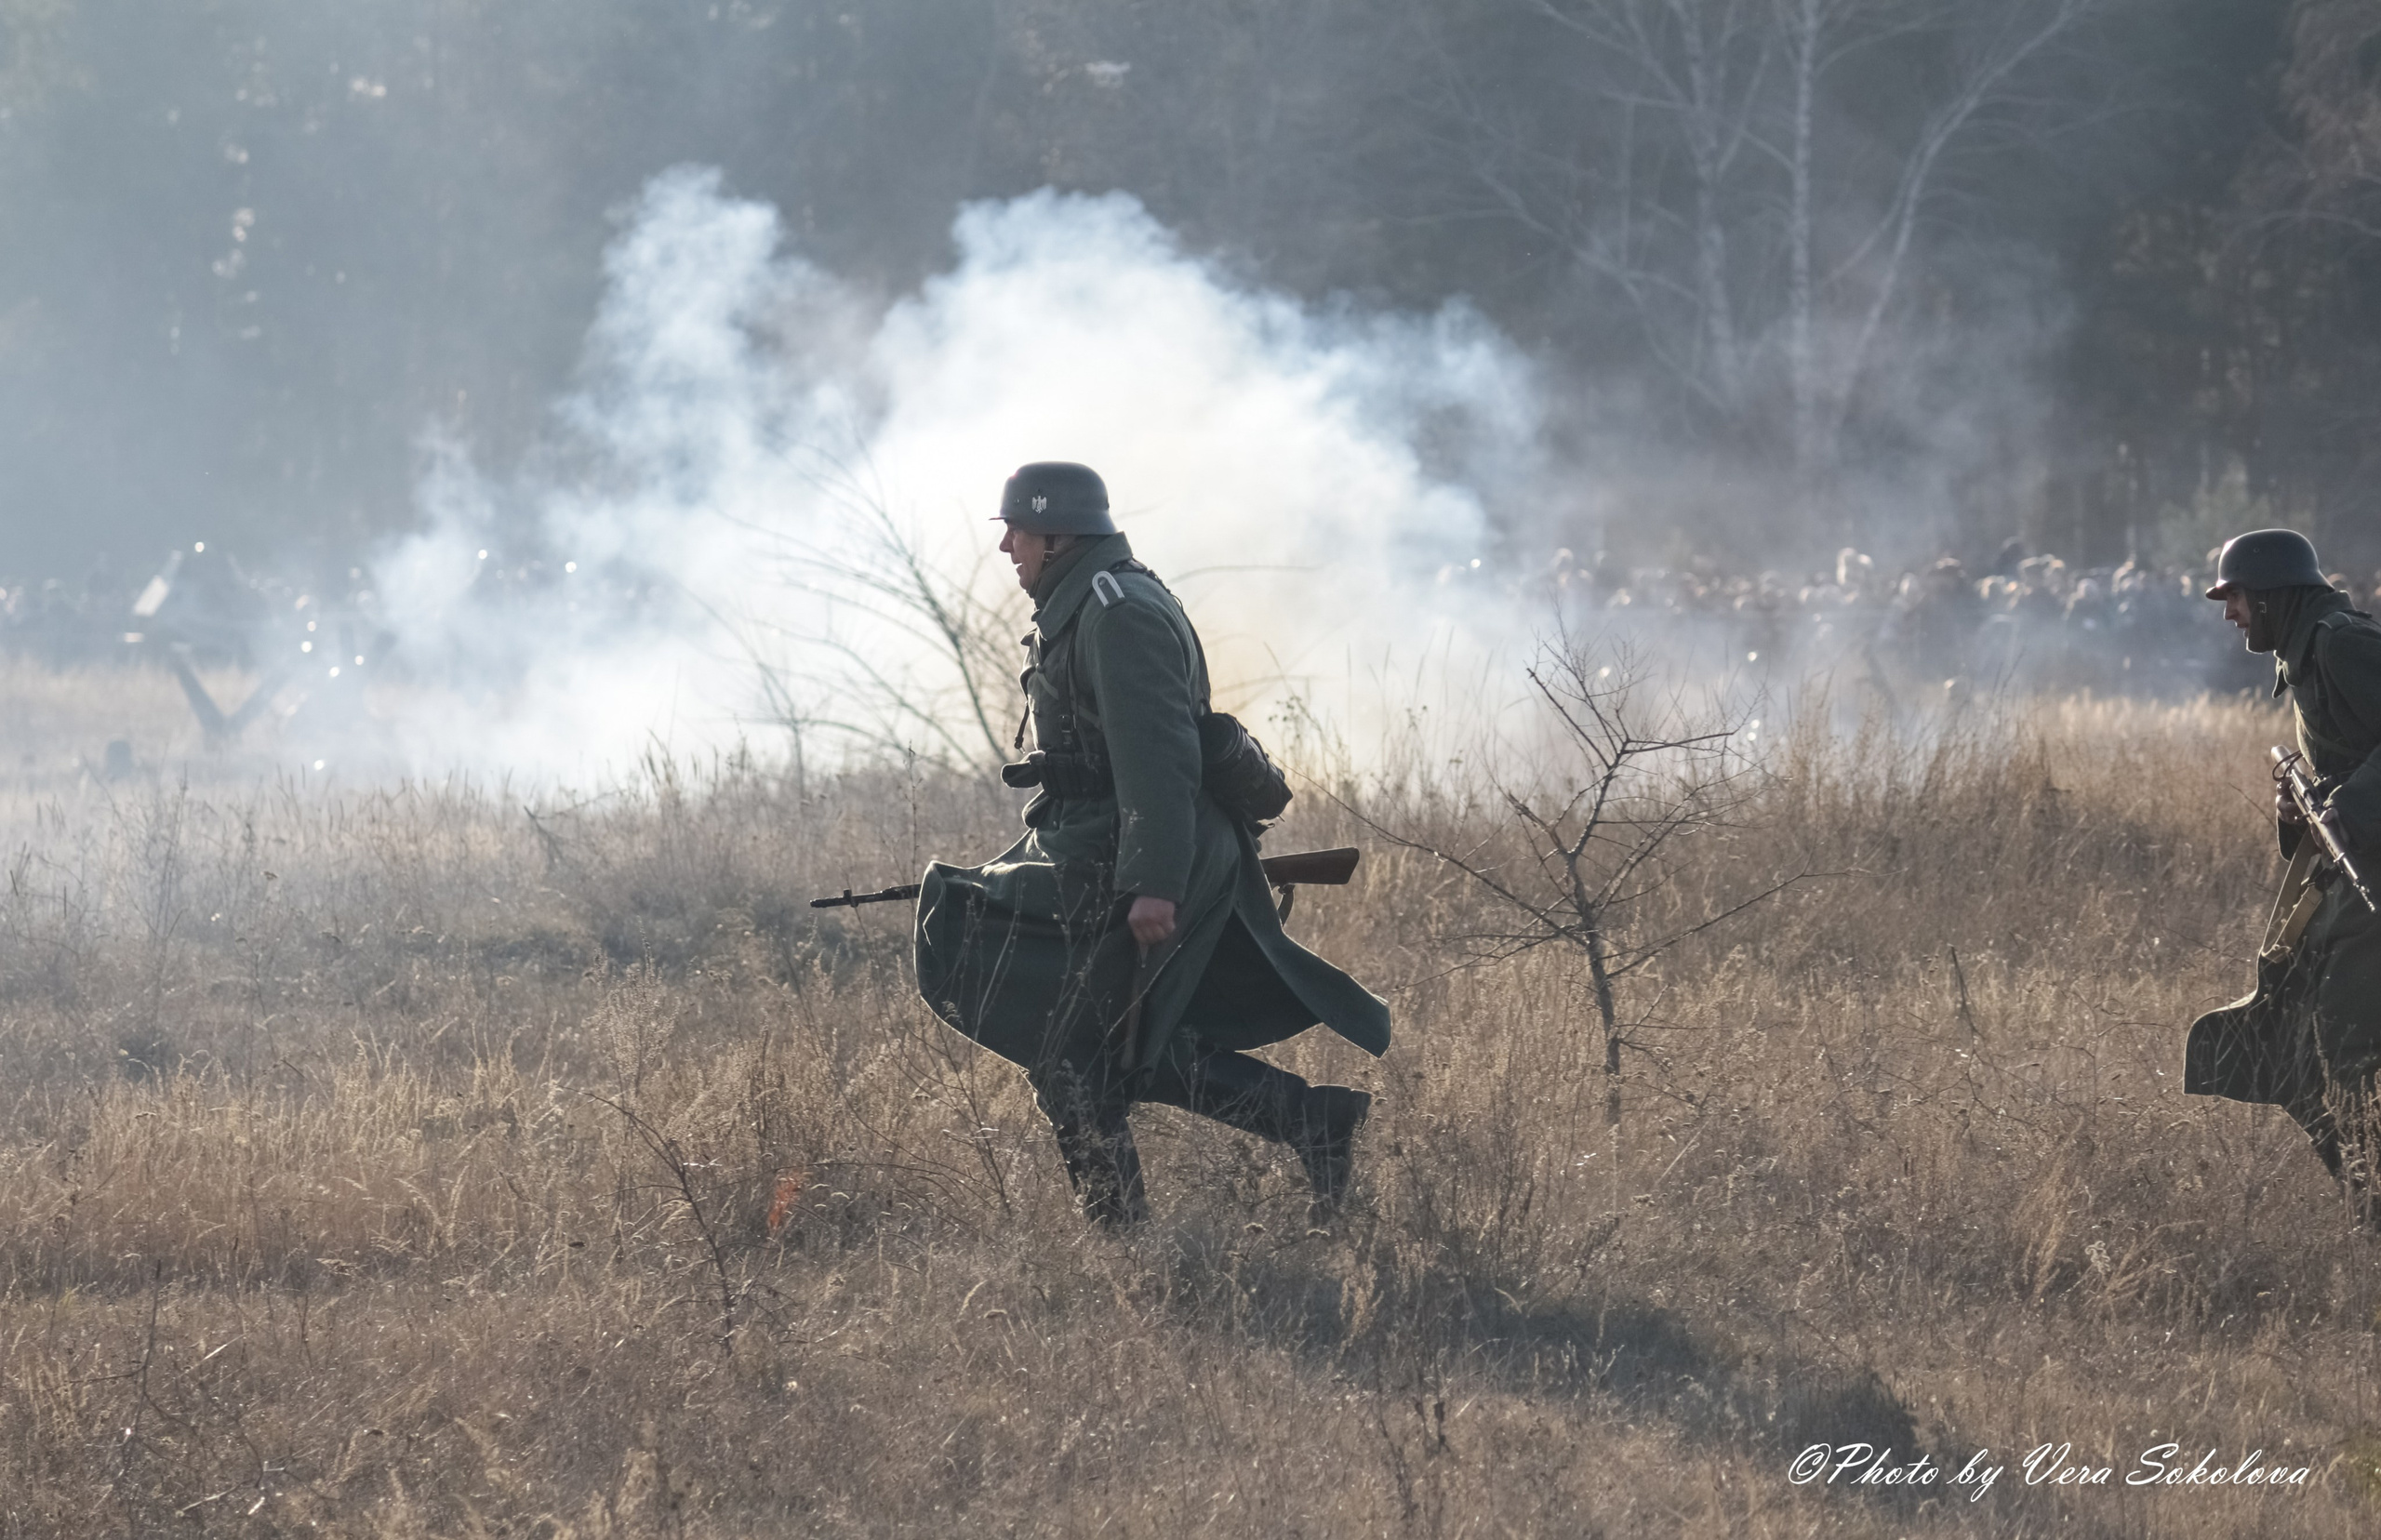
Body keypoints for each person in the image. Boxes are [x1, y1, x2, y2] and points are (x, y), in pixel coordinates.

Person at [913, 462, 1390, 1228]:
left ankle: (1127, 1249)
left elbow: (1161, 759)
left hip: (1141, 856)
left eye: (1018, 530)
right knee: (1127, 1049)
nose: (1006, 547)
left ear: (1057, 533)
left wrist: (1156, 881)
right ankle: (1312, 1122)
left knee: (1070, 1051)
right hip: (1108, 848)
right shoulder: (1093, 601)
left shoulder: (1117, 612)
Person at [2187, 528, 2381, 1224]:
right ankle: (2369, 1201)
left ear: (2270, 596)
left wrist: (2349, 805)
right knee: (2284, 1042)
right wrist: (2299, 809)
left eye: (2234, 597)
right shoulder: (2308, 653)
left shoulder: (2339, 643)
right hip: (2346, 884)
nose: (2228, 613)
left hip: (2371, 894)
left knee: (2351, 1055)